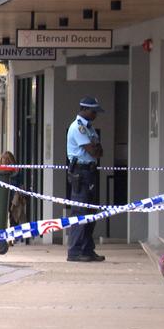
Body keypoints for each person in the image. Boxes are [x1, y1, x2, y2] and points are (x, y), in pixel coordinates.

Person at [66, 96, 105, 262]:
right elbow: (93, 151)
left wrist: (96, 149)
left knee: (91, 211)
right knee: (80, 211)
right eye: (94, 111)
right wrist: (95, 148)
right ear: (85, 110)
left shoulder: (89, 128)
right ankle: (75, 251)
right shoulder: (78, 128)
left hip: (90, 172)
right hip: (80, 173)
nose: (96, 115)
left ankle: (87, 249)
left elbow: (100, 152)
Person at [0, 151, 26, 228]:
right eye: (4, 159)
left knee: (14, 218)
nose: (6, 161)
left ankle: (13, 237)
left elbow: (20, 184)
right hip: (3, 197)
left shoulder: (16, 172)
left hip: (13, 198)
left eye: (8, 159)